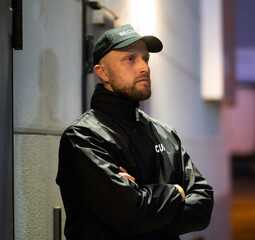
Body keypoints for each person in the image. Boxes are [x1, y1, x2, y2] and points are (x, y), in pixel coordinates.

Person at [56, 23, 214, 240]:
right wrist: (177, 191)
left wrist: (143, 204)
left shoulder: (165, 133)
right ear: (102, 72)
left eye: (146, 59)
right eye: (130, 59)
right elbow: (130, 213)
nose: (144, 68)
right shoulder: (83, 138)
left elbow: (203, 207)